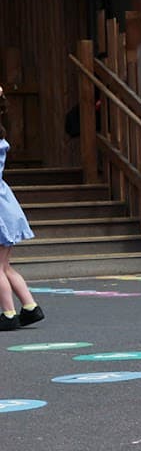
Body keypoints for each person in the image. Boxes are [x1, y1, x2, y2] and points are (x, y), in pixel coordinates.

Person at [0, 86, 44, 331]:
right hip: (7, 205)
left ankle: (8, 313)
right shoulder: (2, 139)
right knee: (4, 266)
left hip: (0, 210)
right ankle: (29, 306)